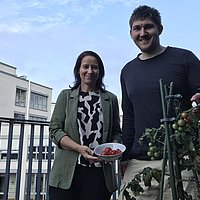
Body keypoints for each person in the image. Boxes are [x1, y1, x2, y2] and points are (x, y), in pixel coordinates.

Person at [119, 5, 200, 200]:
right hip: (138, 164)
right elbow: (129, 117)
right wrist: (124, 157)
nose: (143, 33)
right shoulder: (128, 71)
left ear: (160, 29)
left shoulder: (185, 58)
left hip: (182, 161)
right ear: (130, 33)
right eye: (137, 28)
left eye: (148, 27)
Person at [48, 50, 122, 200]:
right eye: (85, 66)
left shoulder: (111, 99)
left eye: (94, 67)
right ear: (78, 70)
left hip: (99, 173)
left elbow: (116, 132)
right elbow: (54, 131)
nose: (90, 71)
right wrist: (79, 149)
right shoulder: (65, 96)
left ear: (100, 71)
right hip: (67, 172)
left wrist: (112, 149)